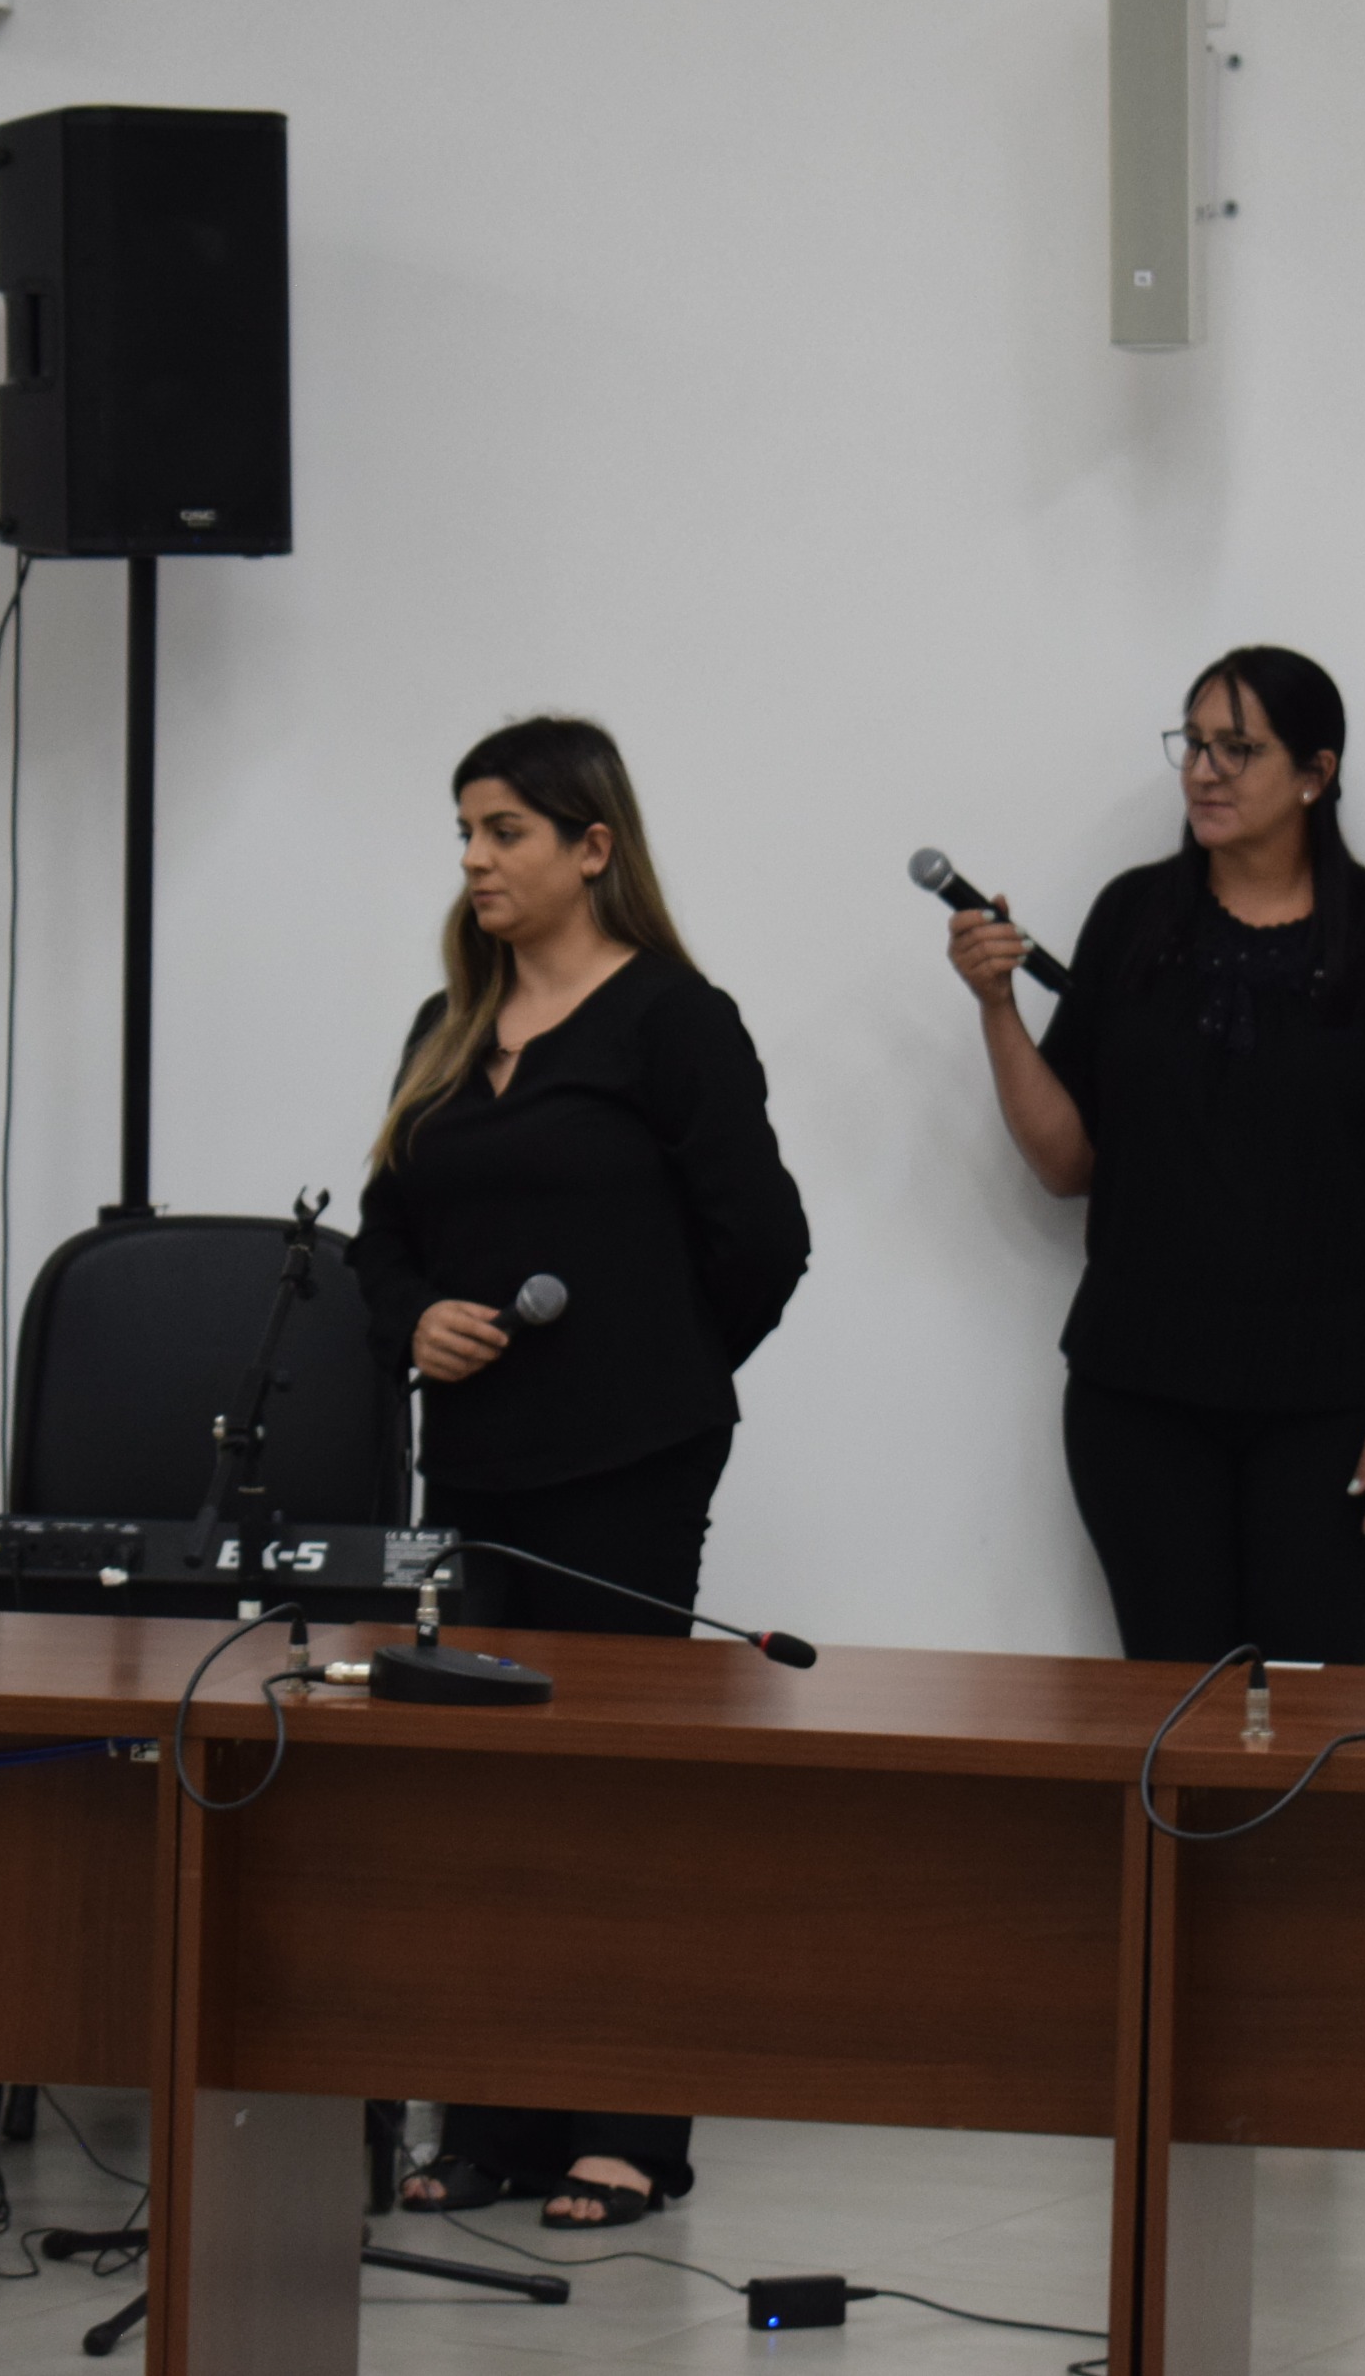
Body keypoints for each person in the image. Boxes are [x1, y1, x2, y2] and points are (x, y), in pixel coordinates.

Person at [354, 716, 809, 2230]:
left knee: (612, 1789)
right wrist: (413, 1322)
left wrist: (657, 1373)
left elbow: (763, 1241)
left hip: (627, 1463)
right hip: (476, 1463)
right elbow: (383, 1241)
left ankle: (626, 2128)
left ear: (591, 846)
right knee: (484, 1798)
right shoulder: (447, 1022)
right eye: (465, 832)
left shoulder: (673, 1018)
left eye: (505, 831)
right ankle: (491, 2122)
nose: (475, 859)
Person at [945, 646, 1365, 1668]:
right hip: (1139, 1393)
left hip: (1333, 1405)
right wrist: (997, 1007)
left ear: (1315, 773)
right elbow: (1066, 1163)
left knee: (1304, 1701)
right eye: (1192, 744)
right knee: (1170, 1703)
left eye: (1238, 748)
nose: (1203, 771)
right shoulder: (1133, 917)